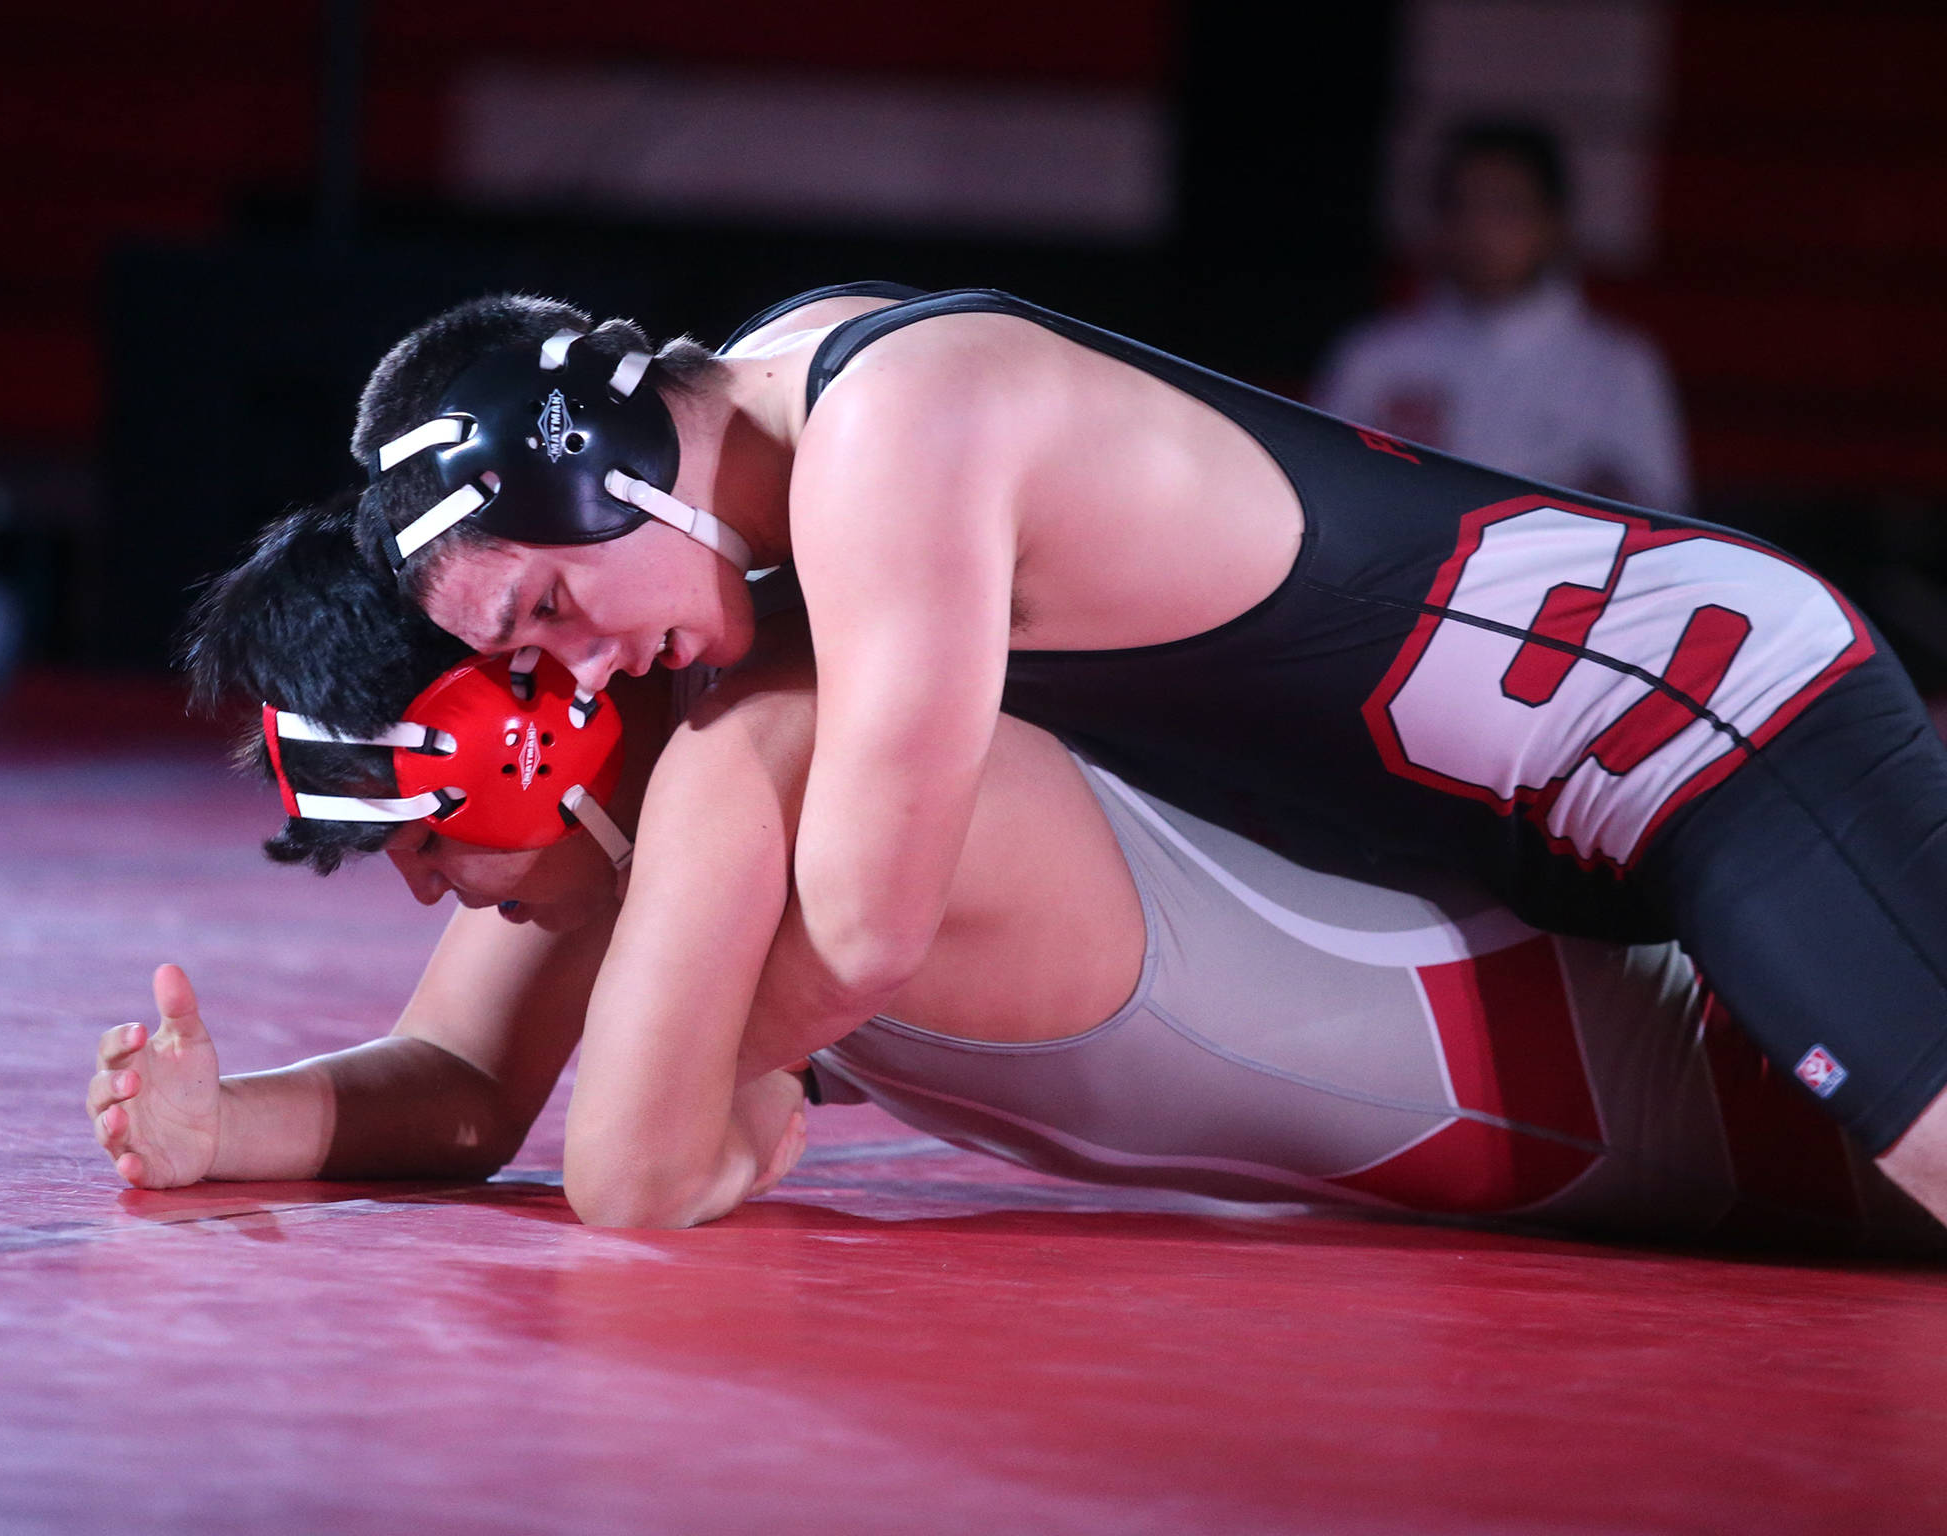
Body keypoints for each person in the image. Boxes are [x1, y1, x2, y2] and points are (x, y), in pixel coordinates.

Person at [337, 277, 1947, 1225]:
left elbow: (865, 930)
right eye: (535, 656)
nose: (593, 663)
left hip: (1692, 726)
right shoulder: (796, 421)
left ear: (609, 466)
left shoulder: (887, 442)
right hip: (1542, 810)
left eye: (557, 602)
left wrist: (683, 1107)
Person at [86, 502, 1939, 1249]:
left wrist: (723, 1107)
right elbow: (472, 1089)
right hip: (1673, 1100)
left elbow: (634, 1182)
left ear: (528, 733)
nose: (423, 896)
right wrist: (212, 1132)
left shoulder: (767, 751)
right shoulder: (683, 799)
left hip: (1762, 1087)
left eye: (413, 836)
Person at [1313, 118, 1690, 513]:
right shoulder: (1376, 354)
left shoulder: (1616, 364)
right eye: (1463, 206)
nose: (1482, 230)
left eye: (1508, 209)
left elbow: (1659, 514)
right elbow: (1324, 491)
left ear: (1553, 223)